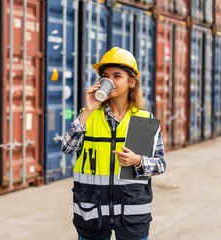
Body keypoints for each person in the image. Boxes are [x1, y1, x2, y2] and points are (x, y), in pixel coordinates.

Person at [62, 47, 166, 240]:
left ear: (131, 82)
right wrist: (88, 110)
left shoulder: (142, 120)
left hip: (132, 211)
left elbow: (160, 164)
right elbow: (67, 147)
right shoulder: (89, 115)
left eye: (117, 76)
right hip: (91, 209)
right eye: (105, 76)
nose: (109, 81)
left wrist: (138, 161)